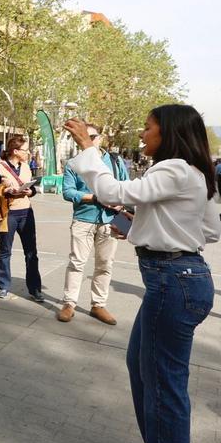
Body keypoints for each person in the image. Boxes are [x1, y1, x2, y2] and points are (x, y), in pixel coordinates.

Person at [64, 105, 220, 443]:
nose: (142, 134)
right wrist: (149, 221)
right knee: (144, 367)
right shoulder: (191, 174)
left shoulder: (174, 169)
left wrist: (87, 147)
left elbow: (111, 192)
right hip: (180, 279)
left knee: (163, 380)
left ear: (167, 133)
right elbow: (209, 230)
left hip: (173, 282)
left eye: (148, 128)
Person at [59, 123, 127, 324]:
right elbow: (68, 192)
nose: (86, 141)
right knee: (76, 263)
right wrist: (94, 197)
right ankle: (69, 303)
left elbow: (125, 186)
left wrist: (120, 203)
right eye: (82, 137)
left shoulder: (114, 161)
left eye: (92, 136)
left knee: (105, 265)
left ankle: (98, 305)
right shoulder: (73, 163)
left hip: (110, 220)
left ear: (100, 137)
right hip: (83, 220)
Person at [0, 134, 42, 302]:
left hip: (26, 213)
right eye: (25, 150)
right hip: (8, 214)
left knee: (31, 252)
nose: (28, 153)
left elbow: (33, 188)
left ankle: (35, 289)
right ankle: (4, 286)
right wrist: (6, 191)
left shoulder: (27, 167)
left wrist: (31, 191)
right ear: (15, 151)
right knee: (5, 251)